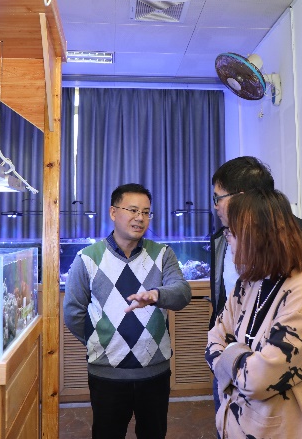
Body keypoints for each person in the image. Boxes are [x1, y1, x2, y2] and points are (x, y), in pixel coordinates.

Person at [63, 183, 191, 439]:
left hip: (155, 370)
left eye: (146, 212)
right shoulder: (86, 258)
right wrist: (100, 340)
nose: (140, 218)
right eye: (133, 210)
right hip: (106, 373)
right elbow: (73, 313)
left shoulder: (163, 254)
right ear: (113, 212)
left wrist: (156, 295)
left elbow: (182, 293)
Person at [206, 189, 302, 438]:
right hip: (235, 424)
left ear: (258, 236)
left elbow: (258, 380)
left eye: (232, 232)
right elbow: (214, 340)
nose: (228, 239)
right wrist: (243, 357)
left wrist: (231, 353)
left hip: (281, 430)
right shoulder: (248, 282)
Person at [209, 157, 302, 367]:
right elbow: (222, 317)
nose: (215, 206)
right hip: (230, 367)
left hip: (282, 375)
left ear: (241, 198)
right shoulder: (222, 239)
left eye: (218, 198)